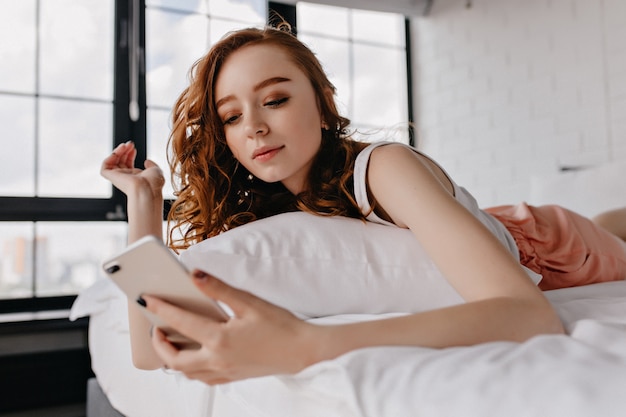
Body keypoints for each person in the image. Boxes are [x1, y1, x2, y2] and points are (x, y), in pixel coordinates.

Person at [100, 24, 626, 385]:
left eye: (276, 99)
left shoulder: (384, 167)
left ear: (323, 105)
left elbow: (529, 316)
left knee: (613, 225)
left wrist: (305, 344)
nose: (255, 126)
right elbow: (150, 354)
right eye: (231, 117)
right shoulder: (266, 213)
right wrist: (145, 203)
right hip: (502, 224)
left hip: (557, 246)